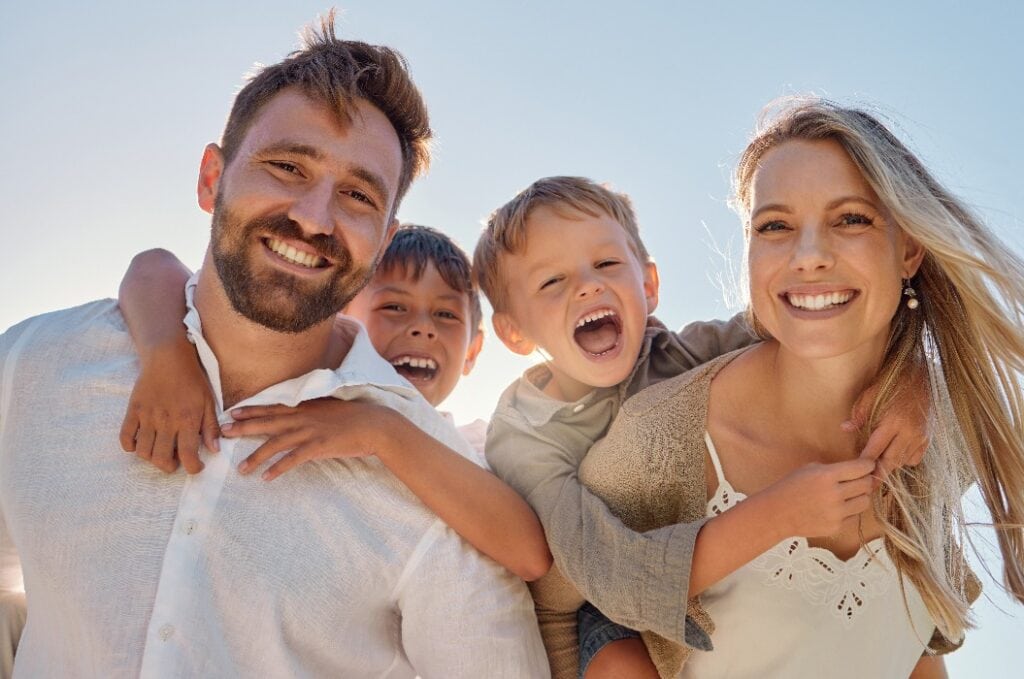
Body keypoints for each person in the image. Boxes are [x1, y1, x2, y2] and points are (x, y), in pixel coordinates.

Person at [0, 13, 549, 678]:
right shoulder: (35, 367)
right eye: (287, 166)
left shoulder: (430, 482)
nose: (315, 217)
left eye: (356, 195)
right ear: (211, 178)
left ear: (382, 237)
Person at [559, 98, 1024, 677]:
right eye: (775, 226)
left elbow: (912, 647)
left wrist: (921, 374)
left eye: (850, 218)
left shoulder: (945, 435)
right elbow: (554, 603)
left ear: (909, 249)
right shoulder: (660, 442)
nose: (808, 257)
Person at [473, 176, 932, 678]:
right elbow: (601, 568)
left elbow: (822, 327)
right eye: (551, 282)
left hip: (692, 574)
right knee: (620, 662)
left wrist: (911, 380)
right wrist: (779, 515)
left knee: (912, 639)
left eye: (605, 264)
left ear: (648, 286)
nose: (588, 284)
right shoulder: (525, 435)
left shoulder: (690, 353)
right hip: (596, 604)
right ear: (514, 332)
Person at [114, 224, 549, 577]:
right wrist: (167, 356)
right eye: (395, 307)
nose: (423, 329)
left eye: (446, 315)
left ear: (473, 351)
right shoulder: (302, 388)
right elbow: (153, 266)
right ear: (339, 317)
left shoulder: (468, 445)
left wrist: (379, 430)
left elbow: (529, 555)